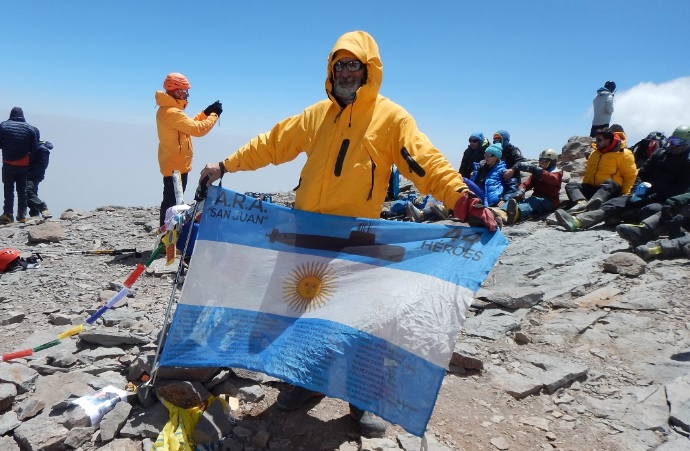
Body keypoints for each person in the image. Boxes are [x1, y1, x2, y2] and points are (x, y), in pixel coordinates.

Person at [199, 30, 498, 438]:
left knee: (360, 319)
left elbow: (424, 162)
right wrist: (225, 165)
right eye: (339, 64)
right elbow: (272, 145)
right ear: (331, 69)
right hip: (305, 234)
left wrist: (462, 198)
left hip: (357, 238)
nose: (345, 71)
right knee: (302, 313)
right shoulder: (316, 116)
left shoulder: (391, 118)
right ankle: (306, 382)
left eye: (353, 64)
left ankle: (362, 399)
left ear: (368, 69)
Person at [555, 125, 690, 232]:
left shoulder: (687, 161)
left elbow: (676, 189)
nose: (673, 145)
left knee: (651, 210)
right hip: (643, 193)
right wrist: (636, 192)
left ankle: (620, 217)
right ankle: (578, 221)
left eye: (678, 142)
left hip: (662, 199)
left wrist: (647, 198)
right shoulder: (660, 154)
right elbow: (641, 173)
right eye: (672, 140)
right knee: (615, 202)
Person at [156, 72, 222, 226]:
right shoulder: (171, 113)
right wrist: (214, 115)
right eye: (185, 91)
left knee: (172, 201)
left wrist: (204, 113)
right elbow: (198, 130)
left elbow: (188, 125)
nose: (187, 94)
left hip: (176, 165)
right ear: (178, 91)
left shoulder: (170, 111)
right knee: (172, 203)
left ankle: (169, 234)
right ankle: (167, 237)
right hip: (175, 167)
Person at [563, 127, 637, 214]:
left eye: (599, 140)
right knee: (571, 185)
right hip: (594, 188)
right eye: (596, 140)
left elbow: (630, 175)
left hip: (612, 190)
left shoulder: (624, 154)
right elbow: (588, 173)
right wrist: (584, 185)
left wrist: (625, 194)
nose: (596, 143)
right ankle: (581, 203)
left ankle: (592, 204)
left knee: (609, 183)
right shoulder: (594, 153)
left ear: (608, 140)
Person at [491, 149, 563, 224]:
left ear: (552, 162)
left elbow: (552, 179)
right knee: (515, 199)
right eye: (541, 161)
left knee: (533, 200)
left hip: (550, 202)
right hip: (538, 200)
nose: (542, 163)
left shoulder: (556, 173)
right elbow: (527, 184)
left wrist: (536, 170)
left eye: (545, 161)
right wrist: (521, 190)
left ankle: (515, 214)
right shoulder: (539, 173)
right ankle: (500, 211)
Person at [0, 107, 39, 224]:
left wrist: (6, 147)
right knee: (22, 191)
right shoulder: (30, 129)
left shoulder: (3, 126)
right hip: (23, 164)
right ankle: (22, 215)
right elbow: (34, 149)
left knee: (8, 190)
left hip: (8, 163)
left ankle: (8, 215)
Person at [464, 143, 518, 208]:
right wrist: (474, 174)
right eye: (485, 155)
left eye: (488, 155)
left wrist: (505, 199)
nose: (486, 157)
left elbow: (513, 184)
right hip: (480, 195)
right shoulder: (481, 168)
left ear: (495, 157)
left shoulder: (502, 170)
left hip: (491, 200)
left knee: (463, 180)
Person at [26, 140, 53, 218]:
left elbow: (43, 166)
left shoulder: (42, 149)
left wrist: (30, 174)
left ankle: (43, 207)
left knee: (27, 191)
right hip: (31, 174)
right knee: (32, 193)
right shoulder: (35, 147)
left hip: (33, 175)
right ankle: (34, 214)